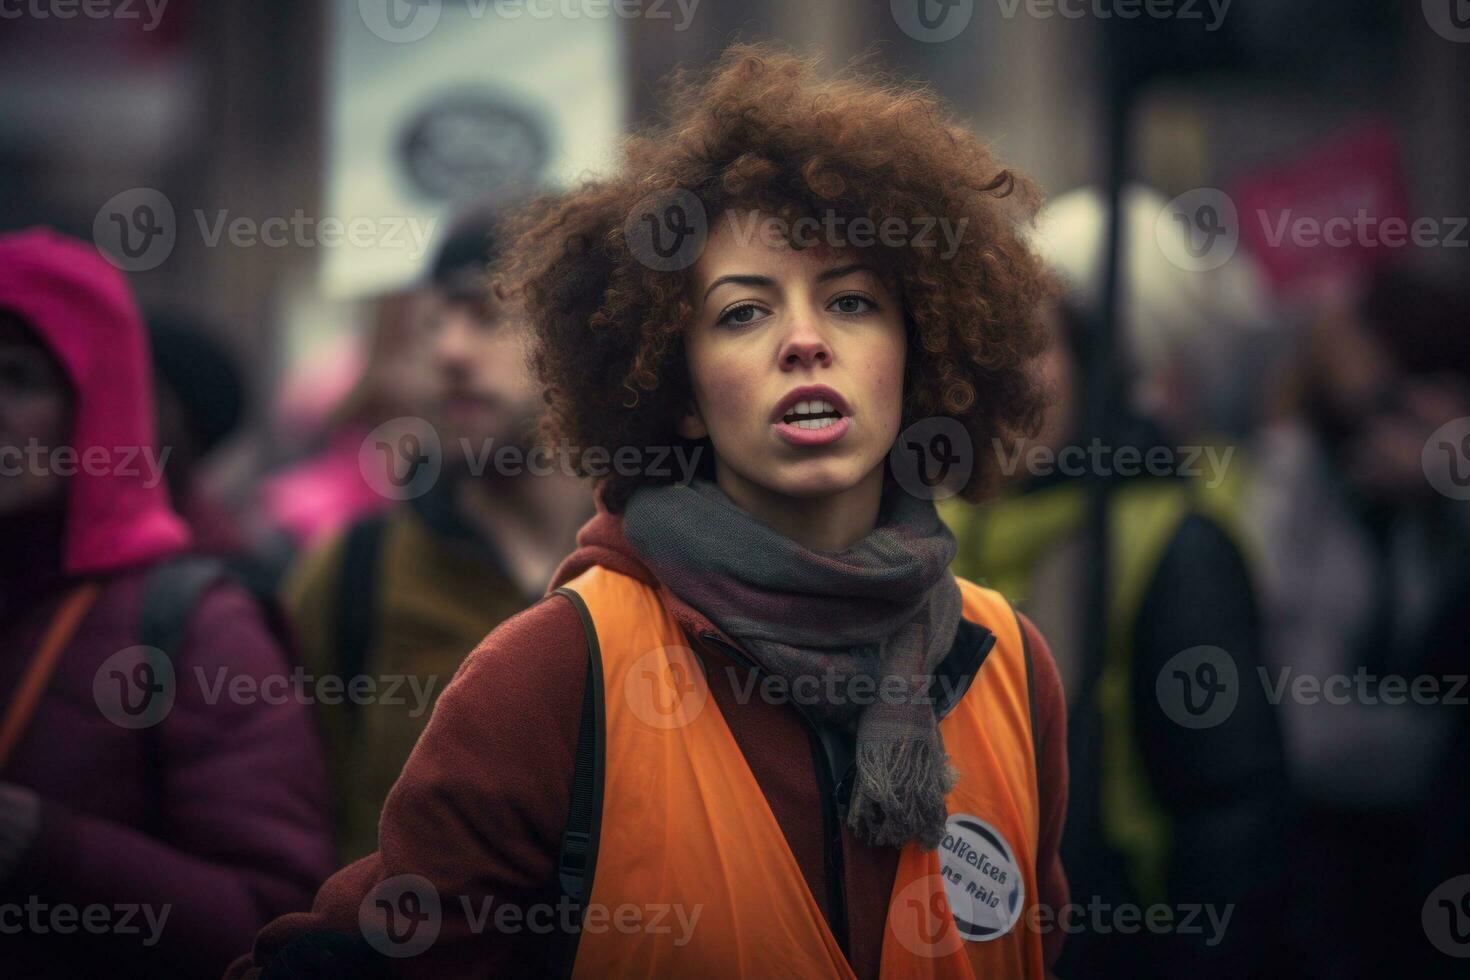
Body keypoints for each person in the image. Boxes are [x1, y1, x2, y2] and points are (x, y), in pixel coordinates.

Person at [229, 45, 1068, 978]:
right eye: (744, 313)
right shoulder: (555, 669)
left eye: (852, 301)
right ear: (674, 387)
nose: (803, 341)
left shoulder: (1011, 669)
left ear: (920, 351)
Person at [944, 186, 1291, 979]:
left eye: (1028, 347)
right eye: (972, 349)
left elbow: (1231, 823)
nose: (993, 381)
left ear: (1092, 367)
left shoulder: (1176, 546)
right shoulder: (936, 536)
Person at [0, 228, 335, 978]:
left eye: (18, 377)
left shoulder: (199, 626)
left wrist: (46, 845)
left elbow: (277, 921)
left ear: (95, 410)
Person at [282, 206, 591, 863]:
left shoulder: (664, 567)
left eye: (488, 315)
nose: (449, 350)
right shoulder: (352, 573)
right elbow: (290, 845)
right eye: (434, 322)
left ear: (583, 334)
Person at [1246, 265, 1470, 980]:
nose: (1401, 437)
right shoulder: (1301, 481)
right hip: (1320, 867)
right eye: (1387, 407)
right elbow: (1313, 740)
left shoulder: (1433, 514)